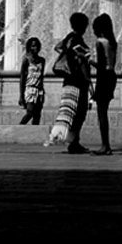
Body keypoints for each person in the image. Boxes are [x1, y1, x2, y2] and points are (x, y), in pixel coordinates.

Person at [50, 13, 92, 154]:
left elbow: (57, 47)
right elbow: (82, 63)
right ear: (83, 25)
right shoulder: (77, 40)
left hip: (68, 80)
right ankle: (73, 142)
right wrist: (89, 81)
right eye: (85, 24)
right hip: (78, 81)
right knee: (80, 112)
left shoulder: (69, 37)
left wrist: (67, 56)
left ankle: (73, 141)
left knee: (71, 110)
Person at [90, 14, 118, 155]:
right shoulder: (112, 42)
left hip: (103, 77)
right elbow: (111, 64)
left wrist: (88, 60)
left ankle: (105, 145)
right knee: (104, 111)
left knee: (101, 113)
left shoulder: (100, 42)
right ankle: (106, 145)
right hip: (112, 77)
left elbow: (101, 65)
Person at [18, 37, 46, 126]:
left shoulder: (42, 60)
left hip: (39, 91)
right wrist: (21, 96)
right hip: (29, 90)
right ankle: (18, 129)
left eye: (37, 46)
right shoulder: (26, 59)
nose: (35, 48)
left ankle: (35, 136)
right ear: (29, 47)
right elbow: (22, 78)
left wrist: (42, 91)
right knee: (30, 112)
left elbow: (41, 77)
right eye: (33, 46)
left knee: (37, 115)